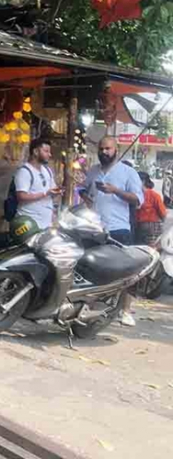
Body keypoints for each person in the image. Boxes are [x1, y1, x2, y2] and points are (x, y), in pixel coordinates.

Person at [82, 136, 144, 326]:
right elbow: (85, 191)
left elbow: (138, 200)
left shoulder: (128, 172)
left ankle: (125, 310)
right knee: (90, 269)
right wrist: (85, 196)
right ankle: (89, 306)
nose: (104, 152)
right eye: (101, 149)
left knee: (126, 272)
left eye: (108, 149)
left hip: (119, 228)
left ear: (116, 150)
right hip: (94, 228)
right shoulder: (93, 172)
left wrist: (115, 191)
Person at [14, 137, 61, 229]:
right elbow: (21, 196)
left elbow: (52, 190)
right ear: (35, 152)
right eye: (46, 151)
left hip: (46, 223)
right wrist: (45, 194)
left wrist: (57, 192)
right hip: (29, 225)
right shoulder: (24, 171)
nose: (50, 154)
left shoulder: (47, 170)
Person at [135, 171, 166, 246]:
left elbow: (163, 213)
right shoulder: (135, 195)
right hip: (146, 227)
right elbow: (163, 214)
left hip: (148, 228)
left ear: (143, 181)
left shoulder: (154, 195)